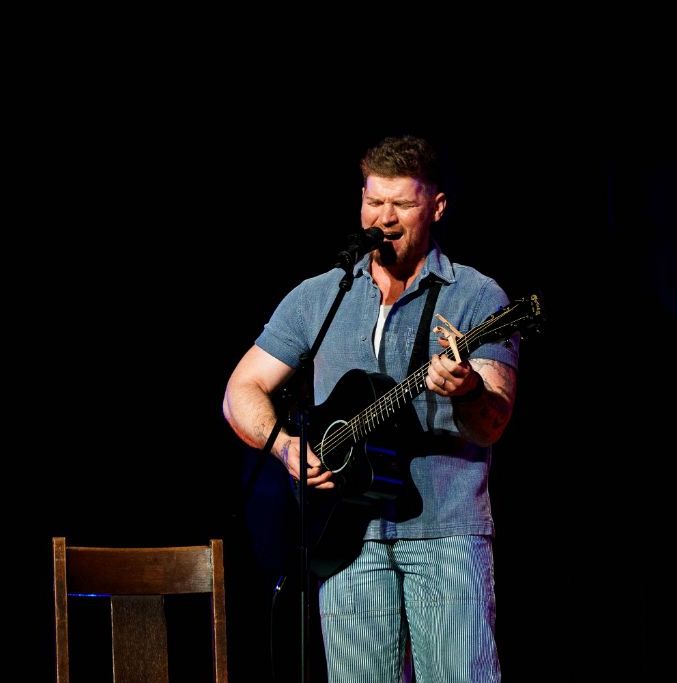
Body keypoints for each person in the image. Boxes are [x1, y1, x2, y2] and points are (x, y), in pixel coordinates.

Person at [222, 134, 518, 682]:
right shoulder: (321, 295)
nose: (384, 218)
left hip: (445, 531)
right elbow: (241, 389)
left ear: (437, 206)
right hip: (344, 540)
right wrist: (286, 446)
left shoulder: (477, 297)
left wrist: (467, 390)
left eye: (401, 204)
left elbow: (492, 424)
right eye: (374, 201)